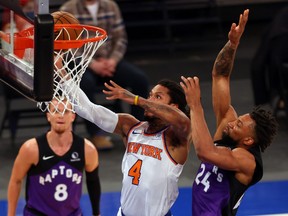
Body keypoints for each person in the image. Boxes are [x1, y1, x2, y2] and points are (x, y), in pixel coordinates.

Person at [180, 9, 278, 215]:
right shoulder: (228, 128)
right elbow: (220, 75)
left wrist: (195, 106)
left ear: (249, 141)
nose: (233, 123)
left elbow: (205, 152)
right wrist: (233, 45)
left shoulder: (247, 161)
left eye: (239, 125)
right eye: (238, 120)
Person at [63, 77, 191, 215]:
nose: (150, 100)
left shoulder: (175, 137)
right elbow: (90, 110)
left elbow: (183, 122)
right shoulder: (130, 126)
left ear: (173, 107)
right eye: (150, 95)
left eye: (158, 97)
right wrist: (65, 79)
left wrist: (137, 100)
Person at [60, 0, 150, 150]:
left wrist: (113, 61)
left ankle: (136, 130)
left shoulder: (111, 6)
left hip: (109, 62)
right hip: (83, 64)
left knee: (140, 80)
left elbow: (120, 38)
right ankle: (96, 134)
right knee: (84, 85)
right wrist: (93, 64)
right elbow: (65, 44)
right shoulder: (68, 9)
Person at [7, 98, 101, 216]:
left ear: (73, 116)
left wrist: (97, 213)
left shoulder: (87, 149)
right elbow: (16, 180)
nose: (60, 116)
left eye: (65, 111)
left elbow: (93, 181)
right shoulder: (31, 148)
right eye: (55, 111)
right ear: (48, 116)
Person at [250, 6, 288, 109]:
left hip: (275, 37)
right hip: (280, 40)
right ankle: (278, 100)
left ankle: (275, 99)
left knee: (261, 65)